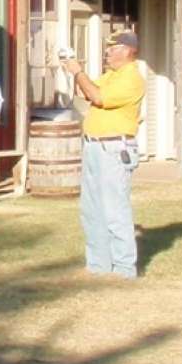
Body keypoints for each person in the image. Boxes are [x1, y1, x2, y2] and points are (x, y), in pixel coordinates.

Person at [61, 29, 144, 280]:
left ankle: (124, 270)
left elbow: (98, 98)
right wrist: (73, 72)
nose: (107, 51)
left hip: (114, 149)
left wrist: (78, 71)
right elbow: (88, 92)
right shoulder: (111, 75)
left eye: (113, 47)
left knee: (115, 210)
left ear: (128, 51)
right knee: (92, 209)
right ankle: (98, 265)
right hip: (94, 146)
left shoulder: (132, 78)